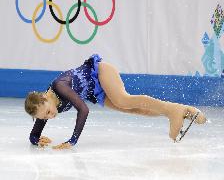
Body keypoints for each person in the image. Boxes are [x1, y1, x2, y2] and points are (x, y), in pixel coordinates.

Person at [24, 54, 206, 150]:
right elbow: (35, 133)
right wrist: (35, 139)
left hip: (100, 72)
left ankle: (174, 110)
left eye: (48, 113)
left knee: (124, 100)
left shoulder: (59, 86)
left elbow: (83, 109)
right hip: (94, 90)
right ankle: (184, 112)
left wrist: (72, 141)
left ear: (45, 97)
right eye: (45, 117)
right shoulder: (43, 106)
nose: (50, 117)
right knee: (133, 110)